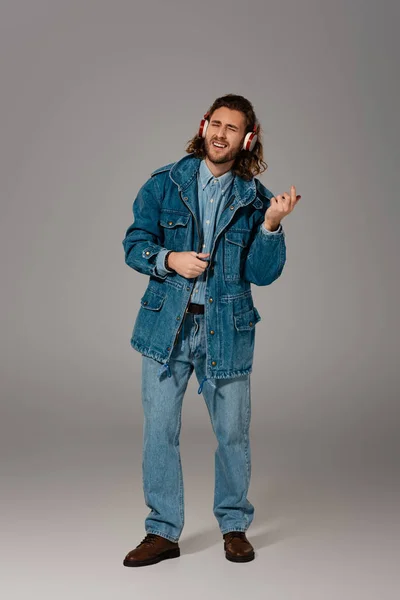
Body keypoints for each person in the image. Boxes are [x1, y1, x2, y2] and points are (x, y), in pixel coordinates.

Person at [121, 94, 300, 567]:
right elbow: (134, 244)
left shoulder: (257, 200)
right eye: (215, 123)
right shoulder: (165, 183)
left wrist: (272, 226)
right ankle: (162, 532)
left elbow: (261, 274)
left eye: (232, 128)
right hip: (167, 328)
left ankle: (234, 526)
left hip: (227, 330)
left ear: (248, 138)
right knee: (159, 430)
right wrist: (168, 259)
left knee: (233, 434)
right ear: (203, 127)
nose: (221, 134)